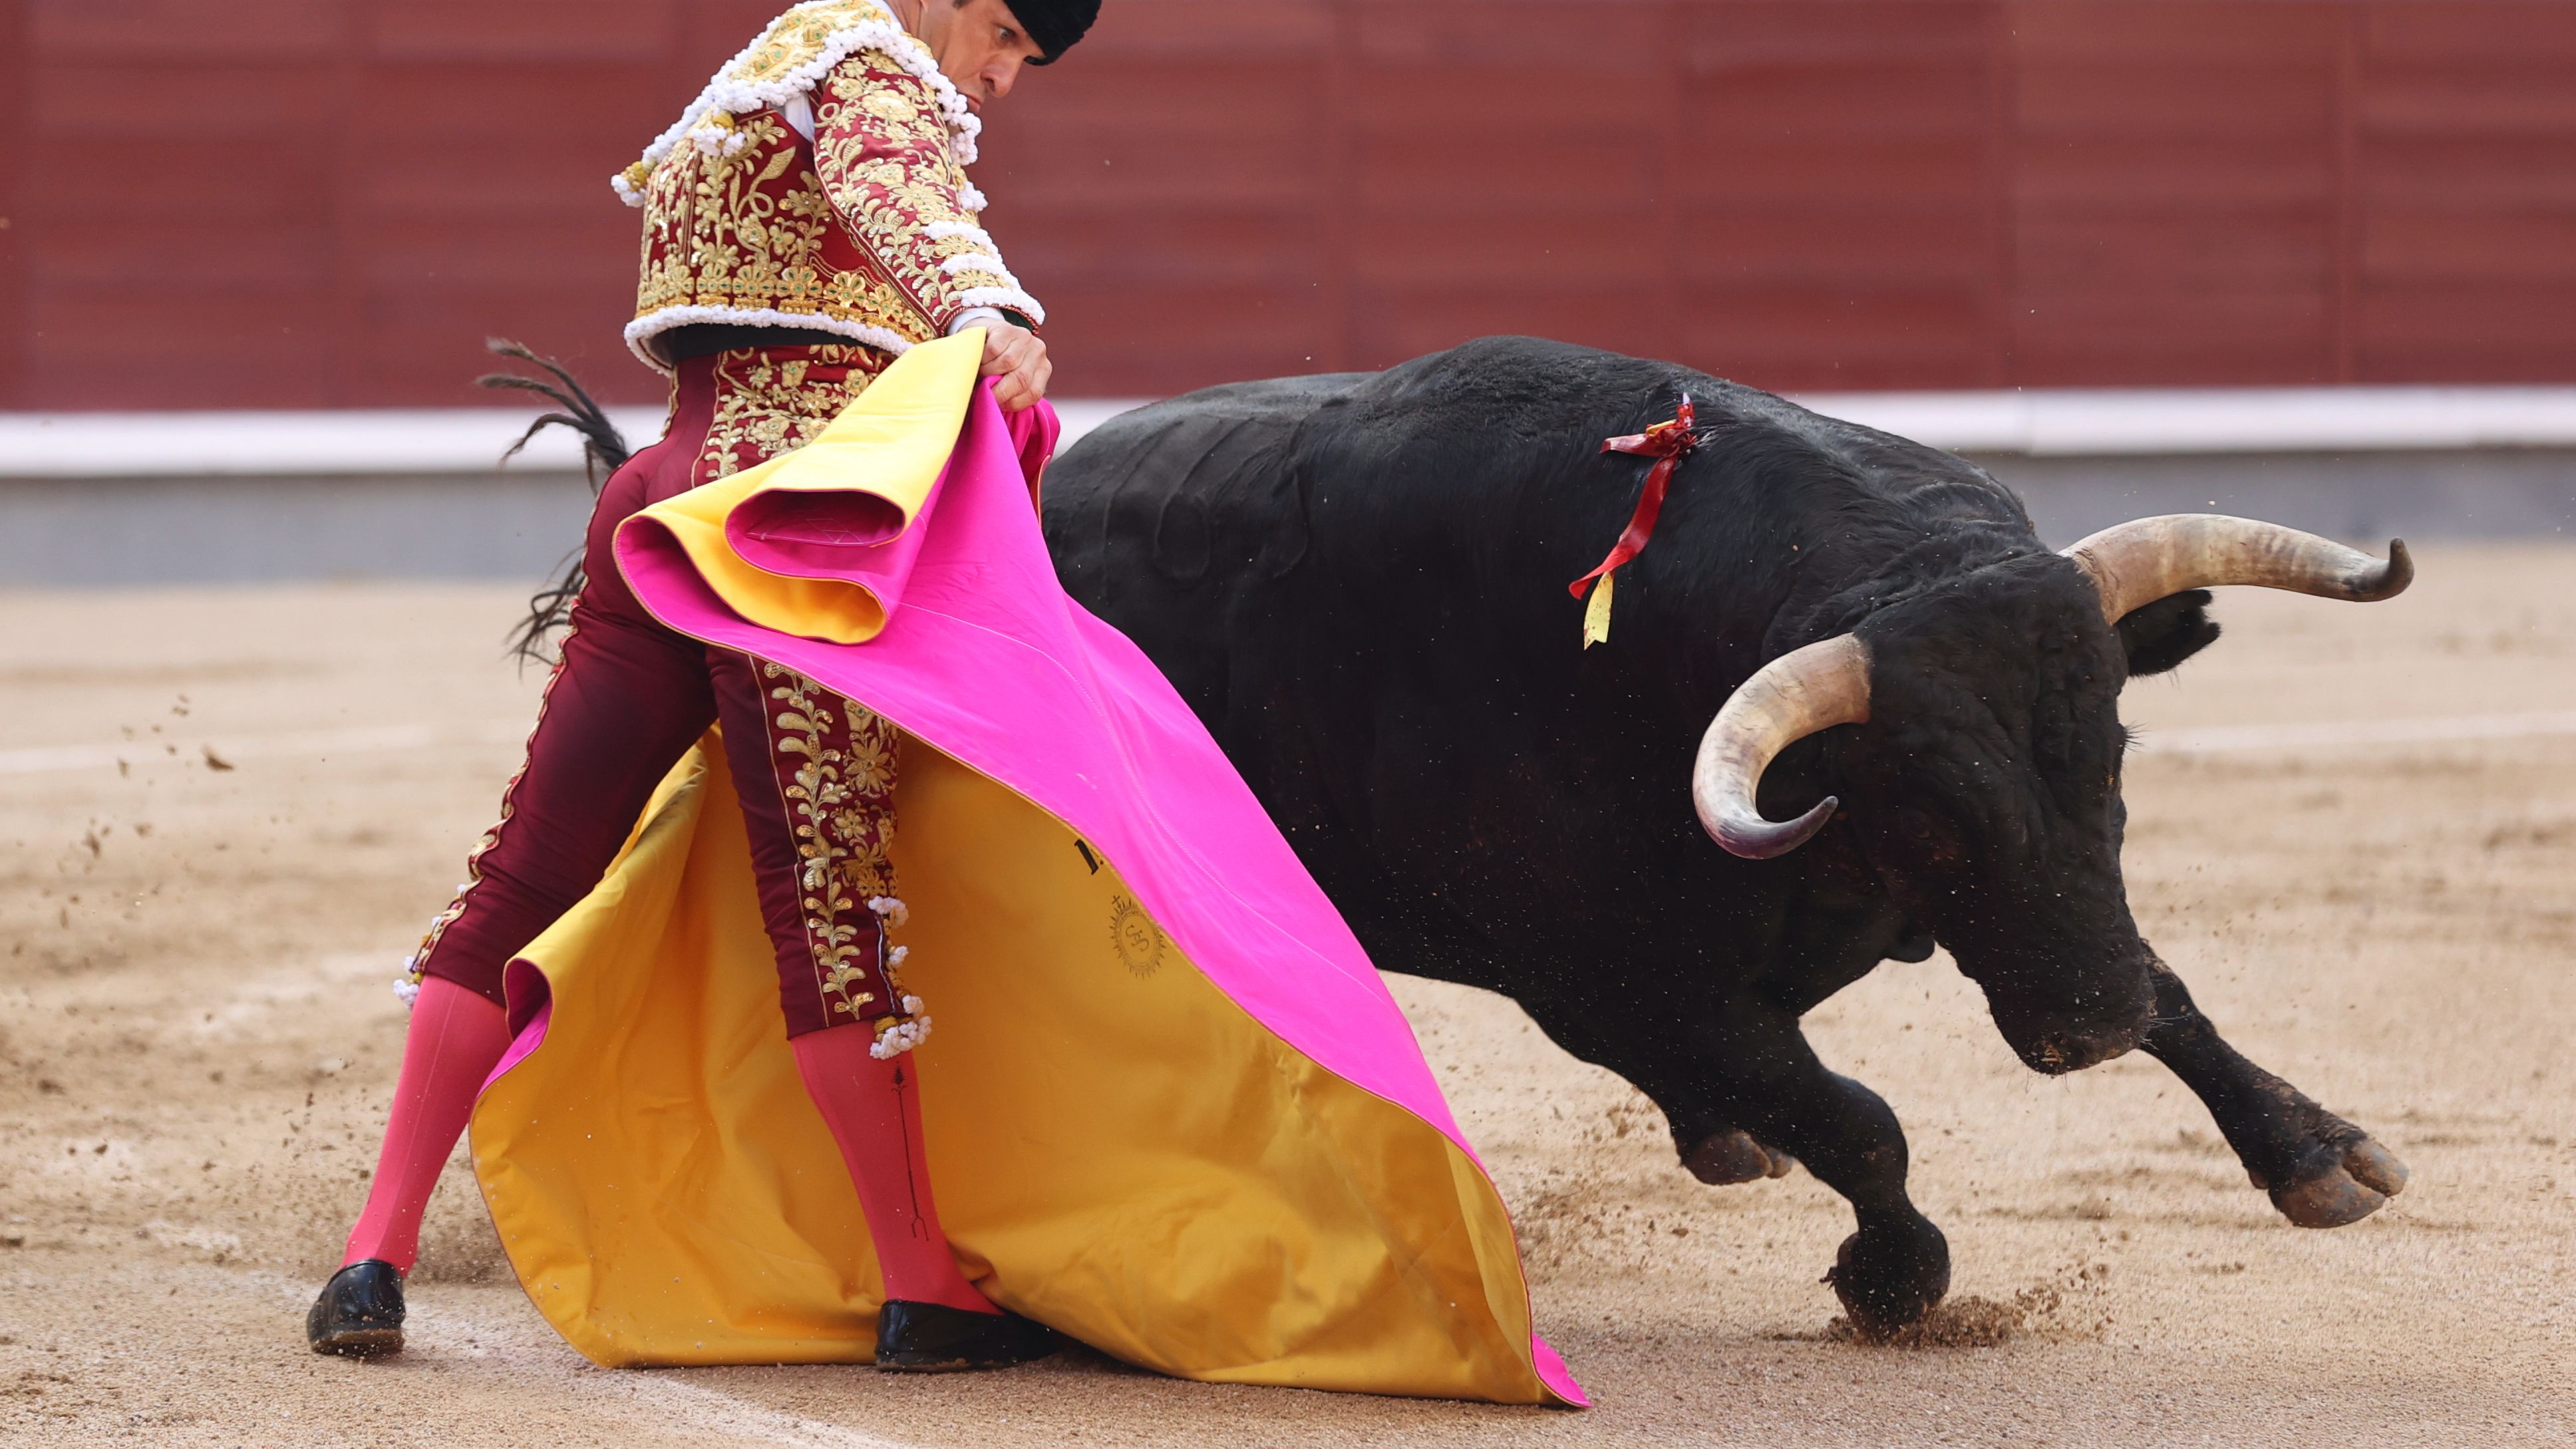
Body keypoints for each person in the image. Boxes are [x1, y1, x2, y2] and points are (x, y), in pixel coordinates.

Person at [307, 0, 1100, 1370]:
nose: (1000, 82)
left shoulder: (768, 67)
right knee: (831, 901)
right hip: (791, 518)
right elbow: (890, 178)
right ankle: (920, 1285)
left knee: (523, 875)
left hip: (661, 495)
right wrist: (989, 308)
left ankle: (369, 1258)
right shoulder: (870, 67)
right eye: (1008, 43)